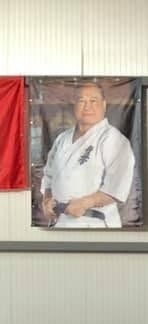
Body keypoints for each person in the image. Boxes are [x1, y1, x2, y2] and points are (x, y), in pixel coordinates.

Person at [40, 81, 136, 229]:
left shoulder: (113, 139)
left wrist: (85, 203)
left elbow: (116, 187)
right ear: (74, 105)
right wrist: (47, 200)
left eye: (93, 101)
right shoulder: (62, 139)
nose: (87, 106)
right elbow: (49, 176)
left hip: (95, 222)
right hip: (61, 222)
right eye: (81, 101)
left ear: (104, 105)